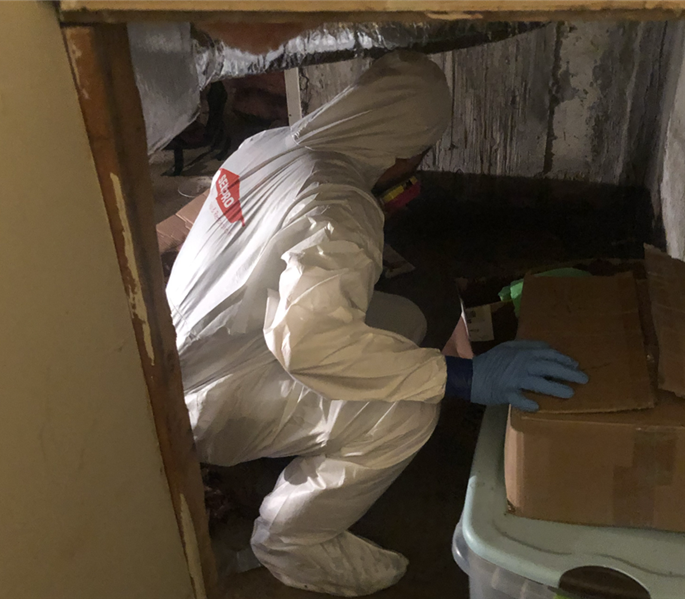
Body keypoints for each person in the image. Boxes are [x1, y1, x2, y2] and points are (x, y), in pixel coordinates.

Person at [166, 51, 588, 596]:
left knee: (398, 323)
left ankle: (312, 439)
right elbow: (312, 343)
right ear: (406, 149)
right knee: (407, 412)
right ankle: (292, 542)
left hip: (180, 352)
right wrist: (462, 378)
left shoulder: (266, 147)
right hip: (207, 406)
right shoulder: (341, 205)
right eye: (420, 154)